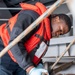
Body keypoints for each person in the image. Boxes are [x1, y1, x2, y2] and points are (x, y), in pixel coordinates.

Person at [0, 2, 72, 75]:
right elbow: (14, 42)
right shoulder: (32, 17)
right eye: (60, 29)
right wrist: (30, 69)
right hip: (5, 55)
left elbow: (36, 55)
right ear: (56, 19)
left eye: (60, 33)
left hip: (20, 64)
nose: (58, 33)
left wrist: (38, 65)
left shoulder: (45, 38)